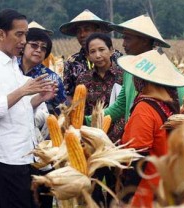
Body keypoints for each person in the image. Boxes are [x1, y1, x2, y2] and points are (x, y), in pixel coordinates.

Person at [0, 9, 56, 208]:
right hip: (6, 158)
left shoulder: (12, 65)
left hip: (27, 154)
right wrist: (22, 91)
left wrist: (37, 99)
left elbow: (19, 109)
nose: (24, 40)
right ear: (1, 34)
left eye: (25, 34)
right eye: (19, 34)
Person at [85, 14, 184, 125]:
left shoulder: (165, 71)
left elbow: (183, 103)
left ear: (144, 41)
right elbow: (120, 106)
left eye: (128, 38)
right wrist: (86, 120)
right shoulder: (130, 69)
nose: (123, 44)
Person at [119, 48, 184, 207]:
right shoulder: (168, 103)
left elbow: (138, 158)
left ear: (144, 80)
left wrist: (125, 198)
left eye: (136, 77)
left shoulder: (144, 109)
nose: (134, 81)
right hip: (166, 187)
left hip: (146, 192)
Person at [76, 33, 124, 206]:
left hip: (118, 143)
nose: (97, 55)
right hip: (92, 145)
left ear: (111, 50)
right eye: (92, 51)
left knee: (117, 191)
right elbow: (79, 111)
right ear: (87, 55)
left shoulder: (123, 76)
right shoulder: (83, 79)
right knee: (92, 191)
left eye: (102, 50)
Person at [59, 9, 122, 99]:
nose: (82, 35)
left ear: (98, 31)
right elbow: (69, 94)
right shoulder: (72, 62)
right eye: (78, 31)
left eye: (87, 29)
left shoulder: (118, 57)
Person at [19, 28, 66, 115]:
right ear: (23, 46)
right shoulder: (9, 68)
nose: (39, 50)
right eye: (34, 45)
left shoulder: (52, 78)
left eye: (43, 48)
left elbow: (62, 109)